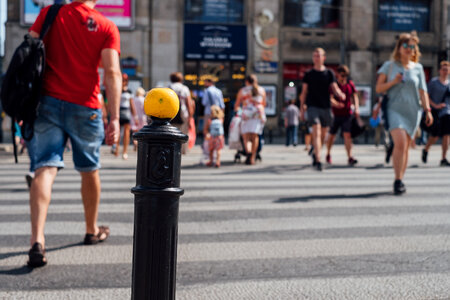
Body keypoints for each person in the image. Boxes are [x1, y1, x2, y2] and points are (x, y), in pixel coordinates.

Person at [27, 0, 121, 268]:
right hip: (86, 106)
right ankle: (91, 230)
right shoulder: (106, 25)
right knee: (89, 168)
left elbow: (29, 50)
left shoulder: (50, 14)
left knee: (45, 167)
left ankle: (37, 240)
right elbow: (112, 72)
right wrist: (114, 117)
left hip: (47, 102)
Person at [376, 32, 433, 195]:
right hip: (394, 109)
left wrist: (428, 110)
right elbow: (378, 88)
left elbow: (423, 91)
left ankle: (401, 177)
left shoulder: (419, 68)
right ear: (399, 48)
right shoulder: (389, 66)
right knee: (400, 143)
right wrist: (393, 82)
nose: (408, 49)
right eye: (406, 46)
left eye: (412, 46)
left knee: (405, 147)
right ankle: (397, 179)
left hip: (413, 111)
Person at [299, 48, 345, 171]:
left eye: (319, 55)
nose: (316, 58)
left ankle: (315, 151)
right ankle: (318, 160)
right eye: (314, 55)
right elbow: (304, 93)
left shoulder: (329, 73)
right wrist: (302, 109)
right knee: (316, 131)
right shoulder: (308, 74)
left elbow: (334, 87)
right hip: (312, 106)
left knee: (323, 136)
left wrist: (340, 93)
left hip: (326, 107)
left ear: (324, 58)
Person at [325, 65, 360, 166]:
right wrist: (336, 104)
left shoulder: (350, 84)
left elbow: (355, 95)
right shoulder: (334, 85)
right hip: (335, 114)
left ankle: (350, 157)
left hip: (347, 114)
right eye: (342, 75)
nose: (344, 77)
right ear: (337, 75)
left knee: (347, 135)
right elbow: (330, 98)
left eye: (346, 75)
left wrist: (357, 108)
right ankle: (328, 153)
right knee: (332, 136)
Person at [422, 60, 450, 166]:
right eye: (443, 69)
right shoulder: (434, 82)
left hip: (447, 112)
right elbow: (426, 96)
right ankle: (426, 149)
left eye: (447, 70)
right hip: (435, 112)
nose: (445, 71)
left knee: (447, 135)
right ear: (439, 71)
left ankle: (443, 158)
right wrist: (435, 106)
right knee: (435, 135)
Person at [234, 74, 267, 165]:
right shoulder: (261, 90)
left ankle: (248, 152)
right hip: (257, 115)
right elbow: (264, 104)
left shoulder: (243, 90)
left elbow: (236, 105)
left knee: (246, 137)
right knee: (255, 137)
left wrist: (239, 111)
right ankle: (252, 157)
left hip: (246, 115)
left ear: (246, 81)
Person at [169, 72, 194, 154]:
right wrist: (190, 117)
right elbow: (188, 103)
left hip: (171, 112)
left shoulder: (169, 87)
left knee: (171, 131)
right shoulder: (184, 88)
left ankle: (172, 149)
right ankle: (182, 150)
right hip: (183, 113)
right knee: (183, 131)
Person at [114, 73, 136, 160]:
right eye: (123, 80)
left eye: (126, 80)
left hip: (126, 112)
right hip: (118, 111)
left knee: (127, 133)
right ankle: (116, 149)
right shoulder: (117, 89)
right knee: (118, 132)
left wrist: (135, 116)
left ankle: (125, 151)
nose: (124, 82)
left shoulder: (129, 91)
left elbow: (131, 104)